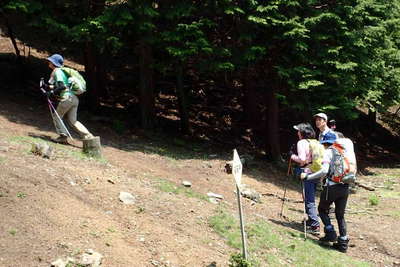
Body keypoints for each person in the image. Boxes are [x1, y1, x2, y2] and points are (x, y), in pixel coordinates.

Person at [299, 132, 351, 253]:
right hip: (345, 187)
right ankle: (343, 243)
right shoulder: (344, 152)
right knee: (340, 215)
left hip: (332, 187)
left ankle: (330, 233)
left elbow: (324, 171)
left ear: (326, 143)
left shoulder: (329, 151)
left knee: (322, 210)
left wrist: (308, 177)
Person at [45, 54, 93, 143]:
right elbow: (62, 85)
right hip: (74, 98)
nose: (48, 62)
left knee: (57, 116)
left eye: (50, 61)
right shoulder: (63, 71)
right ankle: (88, 136)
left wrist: (51, 92)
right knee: (73, 121)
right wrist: (49, 88)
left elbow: (62, 87)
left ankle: (63, 137)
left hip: (66, 98)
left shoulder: (57, 71)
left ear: (53, 63)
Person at [289, 123, 320, 235]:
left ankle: (315, 225)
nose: (297, 133)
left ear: (302, 132)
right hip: (317, 172)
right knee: (310, 197)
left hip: (307, 173)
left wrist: (292, 156)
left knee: (309, 198)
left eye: (298, 131)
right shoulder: (315, 142)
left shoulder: (302, 142)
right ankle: (311, 220)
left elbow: (302, 159)